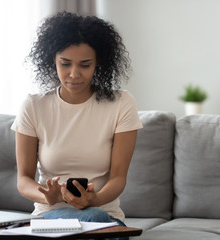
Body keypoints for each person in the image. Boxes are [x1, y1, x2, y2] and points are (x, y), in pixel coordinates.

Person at [11, 11, 143, 229]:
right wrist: (48, 197)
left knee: (94, 218)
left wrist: (94, 200)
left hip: (104, 216)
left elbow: (118, 178)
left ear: (98, 63)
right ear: (52, 59)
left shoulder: (121, 103)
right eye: (65, 64)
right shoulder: (33, 106)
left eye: (84, 65)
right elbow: (23, 180)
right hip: (49, 218)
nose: (74, 74)